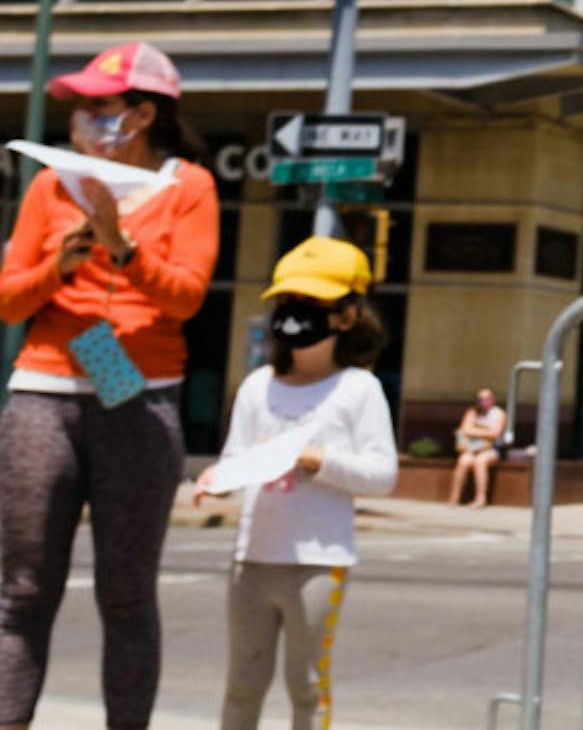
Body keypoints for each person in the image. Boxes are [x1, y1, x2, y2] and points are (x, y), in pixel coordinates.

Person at [0, 41, 217, 730]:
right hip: (45, 385)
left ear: (144, 114)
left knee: (126, 595)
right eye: (81, 109)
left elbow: (184, 299)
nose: (85, 121)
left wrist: (122, 247)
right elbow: (8, 302)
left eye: (101, 107)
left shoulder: (190, 187)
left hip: (137, 388)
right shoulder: (48, 185)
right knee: (23, 588)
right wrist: (56, 269)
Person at [198, 235, 397, 730]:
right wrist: (216, 481)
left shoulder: (359, 389)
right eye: (286, 302)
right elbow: (235, 460)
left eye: (310, 304)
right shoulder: (257, 386)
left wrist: (318, 461)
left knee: (307, 685)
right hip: (253, 560)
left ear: (345, 316)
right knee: (243, 683)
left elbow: (382, 474)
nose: (293, 314)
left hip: (318, 562)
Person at [448, 387, 506, 507]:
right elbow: (464, 429)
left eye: (487, 398)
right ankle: (454, 497)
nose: (484, 401)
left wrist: (475, 430)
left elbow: (496, 433)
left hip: (491, 450)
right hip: (471, 448)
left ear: (493, 399)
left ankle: (480, 499)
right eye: (481, 398)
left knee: (480, 462)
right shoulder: (472, 412)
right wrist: (485, 431)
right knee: (463, 461)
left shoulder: (499, 413)